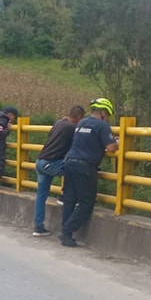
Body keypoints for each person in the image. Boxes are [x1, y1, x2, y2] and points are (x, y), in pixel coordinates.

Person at [59, 98, 119, 247]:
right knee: (87, 202)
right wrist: (117, 142)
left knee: (70, 199)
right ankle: (67, 230)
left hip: (69, 162)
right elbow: (111, 147)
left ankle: (65, 232)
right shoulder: (102, 125)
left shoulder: (81, 122)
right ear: (104, 113)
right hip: (84, 166)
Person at [32, 106, 85, 237]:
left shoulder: (58, 123)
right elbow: (81, 142)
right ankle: (64, 196)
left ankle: (38, 226)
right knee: (73, 168)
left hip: (40, 161)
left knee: (41, 196)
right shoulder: (72, 128)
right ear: (78, 117)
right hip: (51, 163)